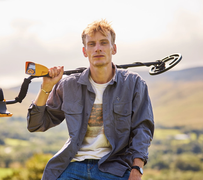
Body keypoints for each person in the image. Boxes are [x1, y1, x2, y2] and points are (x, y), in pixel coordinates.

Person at [27, 19, 154, 180]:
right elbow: (36, 124)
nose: (98, 48)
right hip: (72, 166)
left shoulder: (134, 83)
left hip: (114, 167)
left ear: (113, 48)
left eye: (103, 43)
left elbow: (143, 128)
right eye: (92, 44)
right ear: (84, 51)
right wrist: (46, 88)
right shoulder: (68, 85)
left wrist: (137, 169)